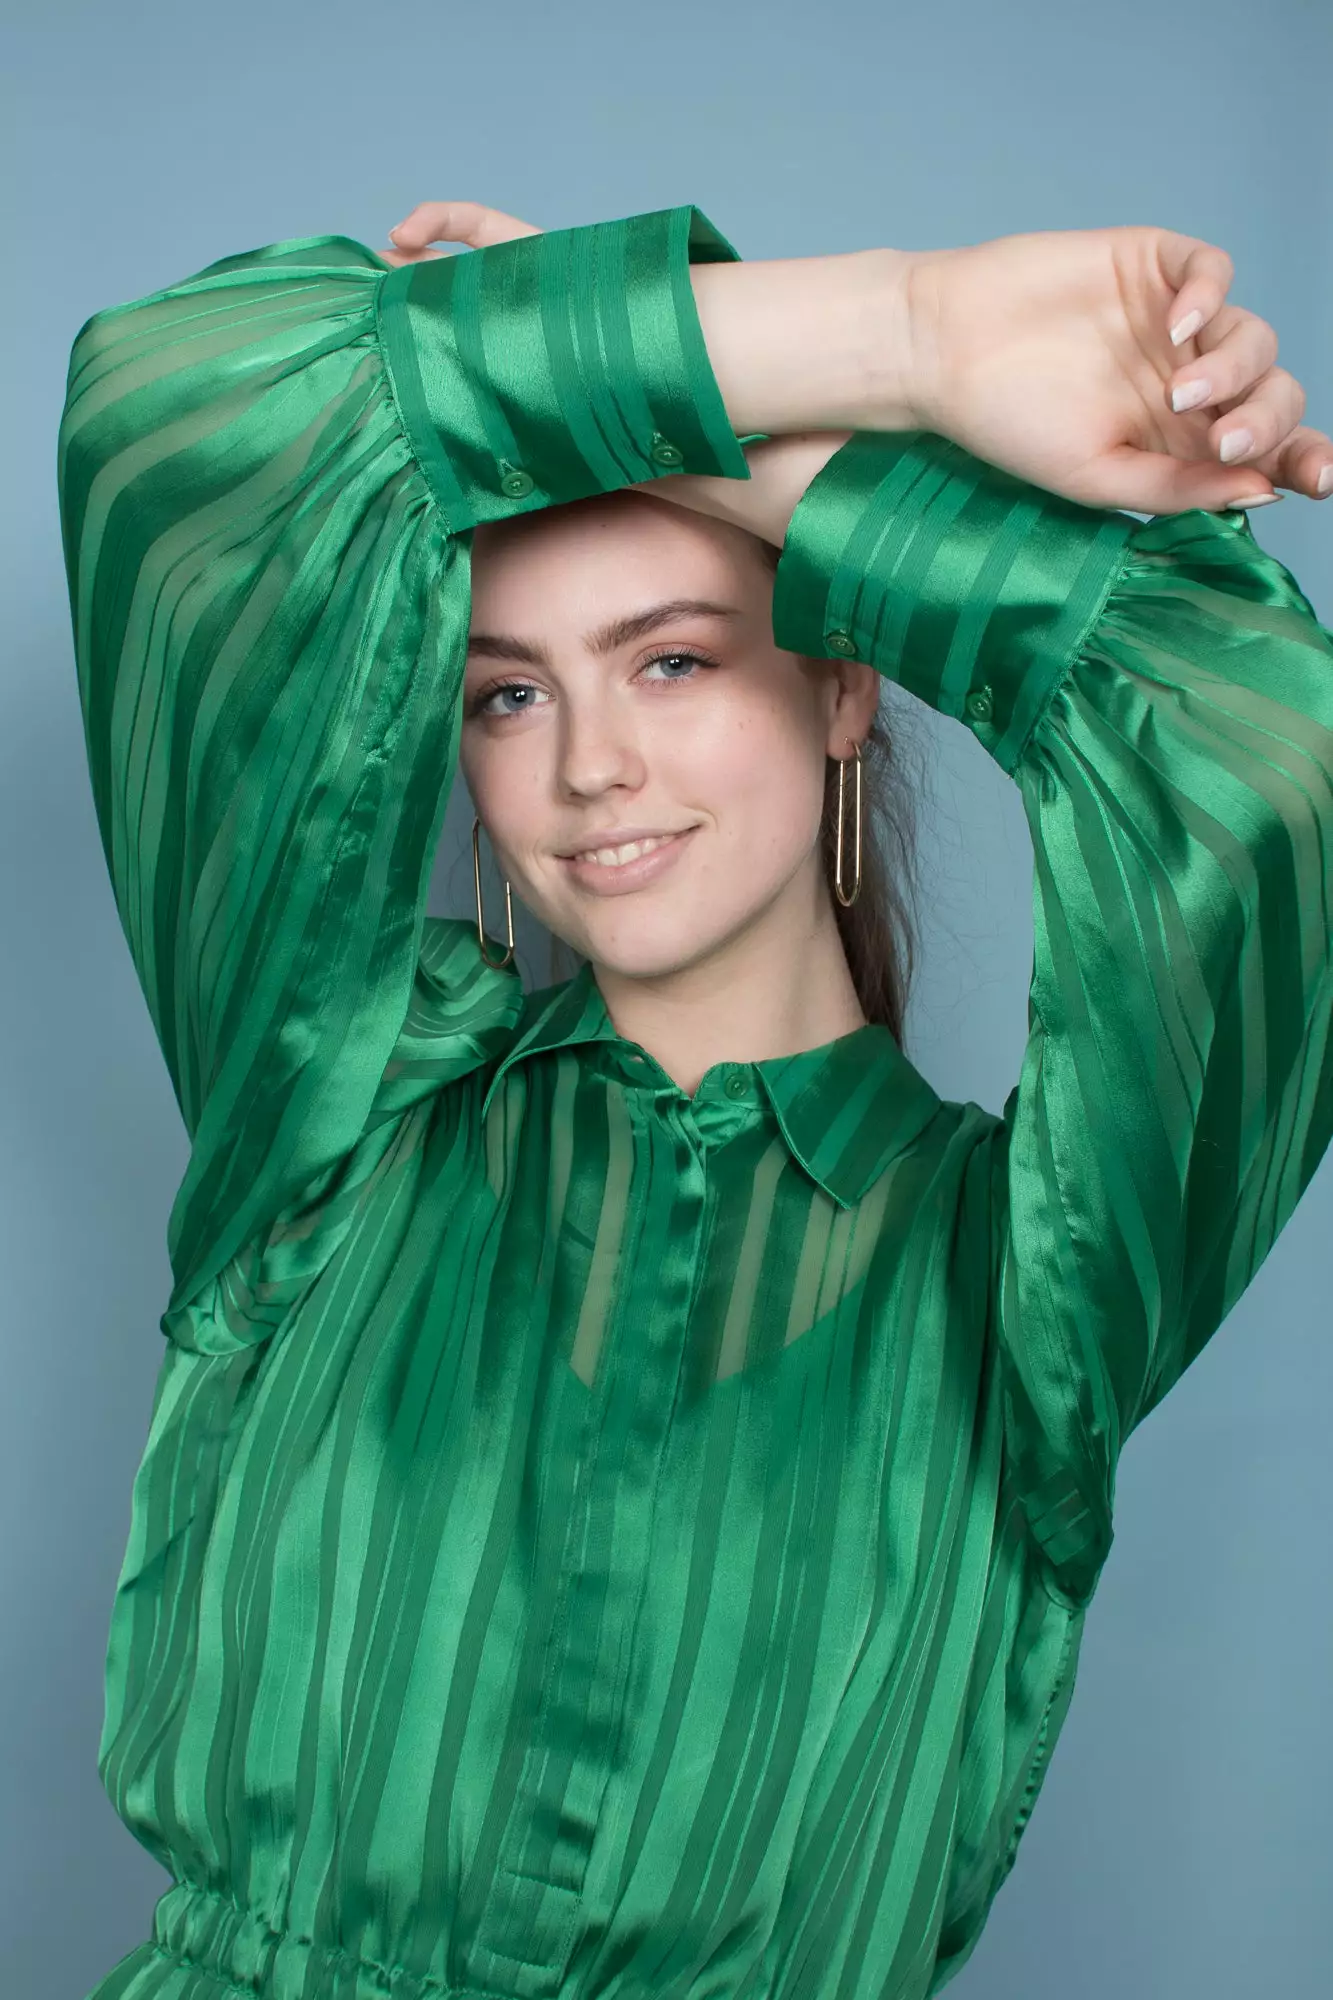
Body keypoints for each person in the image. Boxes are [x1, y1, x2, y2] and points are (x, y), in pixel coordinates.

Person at [56, 195, 1332, 2000]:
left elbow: (1268, 750)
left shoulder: (1031, 1285)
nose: (590, 766)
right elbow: (169, 409)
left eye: (672, 657)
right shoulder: (341, 1120)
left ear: (840, 682)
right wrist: (904, 337)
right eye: (509, 695)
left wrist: (713, 430)